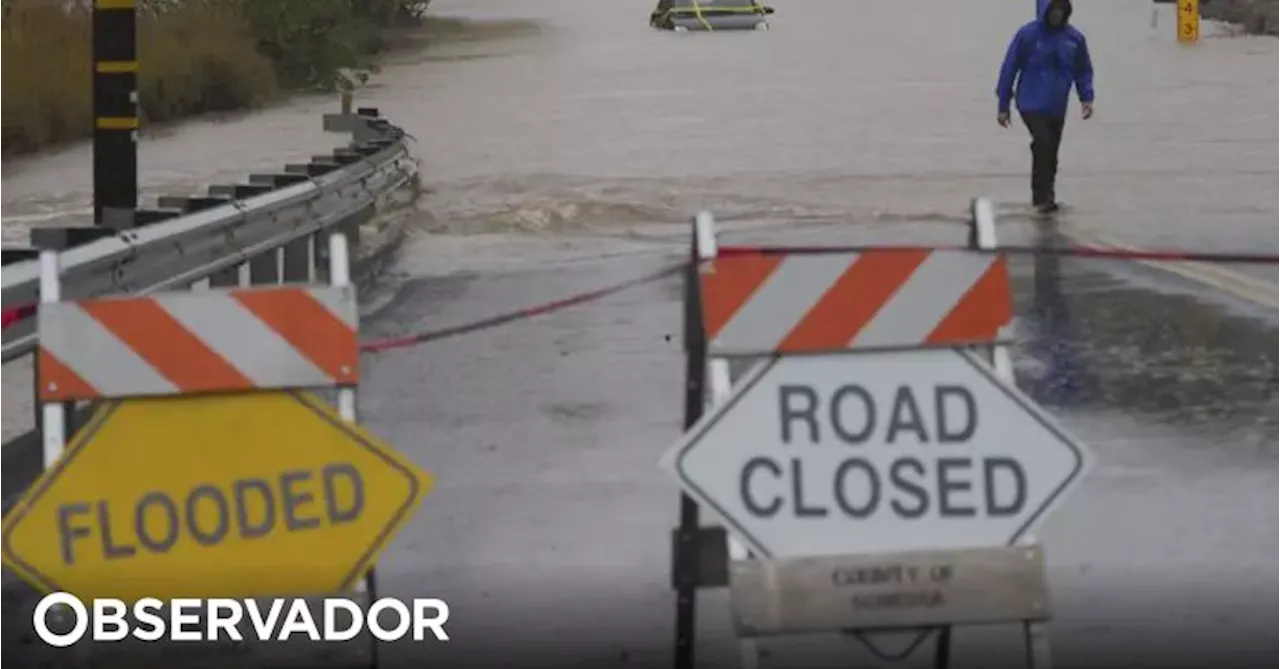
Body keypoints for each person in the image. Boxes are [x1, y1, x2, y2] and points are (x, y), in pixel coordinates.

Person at [996, 0, 1095, 214]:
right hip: (1030, 102)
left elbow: (1083, 70)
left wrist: (1086, 98)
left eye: (1061, 10)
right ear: (1046, 9)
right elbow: (1009, 68)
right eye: (1053, 10)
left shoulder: (1074, 38)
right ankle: (1040, 198)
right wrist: (1003, 104)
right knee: (1043, 142)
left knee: (1052, 150)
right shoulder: (1027, 35)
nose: (1057, 14)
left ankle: (1047, 196)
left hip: (1057, 105)